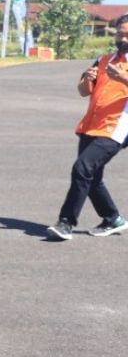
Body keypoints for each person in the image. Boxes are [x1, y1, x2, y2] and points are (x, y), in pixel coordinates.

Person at [46, 13, 128, 240]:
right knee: (92, 177)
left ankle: (66, 223)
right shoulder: (104, 60)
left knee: (82, 169)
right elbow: (83, 91)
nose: (123, 39)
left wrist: (123, 78)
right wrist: (87, 80)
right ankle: (113, 218)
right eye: (120, 34)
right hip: (91, 125)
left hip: (116, 128)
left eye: (127, 35)